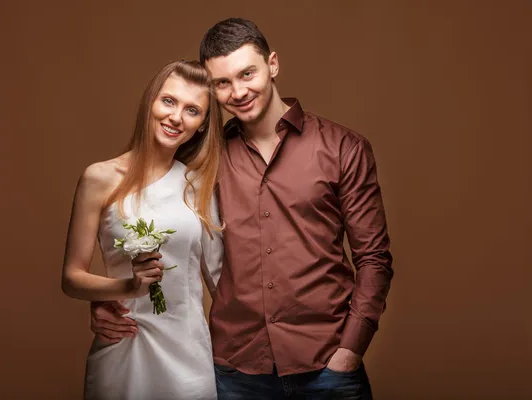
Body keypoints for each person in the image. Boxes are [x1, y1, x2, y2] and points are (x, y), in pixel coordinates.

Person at [90, 18, 394, 399]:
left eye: (247, 73)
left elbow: (374, 259)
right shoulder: (201, 158)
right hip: (235, 370)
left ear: (273, 65)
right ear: (212, 89)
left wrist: (349, 350)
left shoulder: (342, 148)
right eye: (222, 83)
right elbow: (143, 222)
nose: (238, 91)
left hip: (328, 366)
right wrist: (111, 303)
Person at [61, 60, 224, 400]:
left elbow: (222, 281)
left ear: (201, 125)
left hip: (187, 357)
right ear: (150, 101)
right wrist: (127, 287)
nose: (176, 117)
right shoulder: (99, 178)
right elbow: (72, 278)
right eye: (169, 101)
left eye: (192, 110)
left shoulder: (200, 185)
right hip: (123, 345)